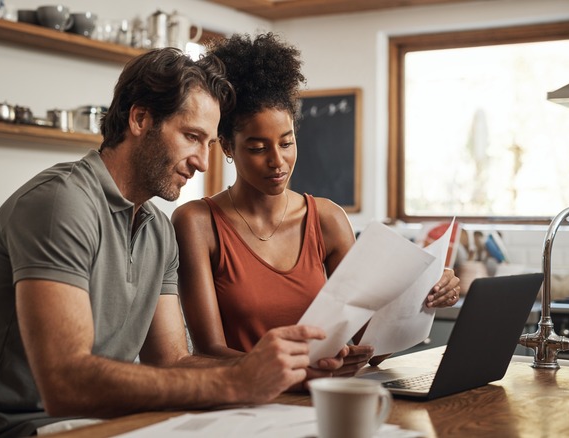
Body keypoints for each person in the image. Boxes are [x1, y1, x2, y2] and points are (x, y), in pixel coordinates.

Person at [0, 47, 328, 437]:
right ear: (140, 118)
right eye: (191, 137)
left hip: (110, 423)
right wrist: (235, 383)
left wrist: (280, 370)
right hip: (20, 428)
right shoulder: (61, 203)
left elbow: (171, 362)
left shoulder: (158, 230)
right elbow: (66, 383)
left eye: (209, 145)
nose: (201, 162)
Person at [172, 33, 461, 377]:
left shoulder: (327, 219)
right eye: (257, 147)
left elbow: (370, 344)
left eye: (286, 142)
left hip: (324, 399)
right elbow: (208, 353)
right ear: (228, 147)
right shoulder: (196, 222)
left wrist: (424, 296)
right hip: (245, 405)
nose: (277, 161)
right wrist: (298, 370)